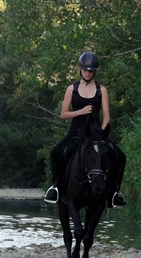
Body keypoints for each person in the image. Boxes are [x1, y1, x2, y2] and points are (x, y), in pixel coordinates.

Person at [44, 52, 126, 207]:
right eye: (85, 70)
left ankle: (115, 192)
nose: (88, 72)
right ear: (80, 69)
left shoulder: (102, 89)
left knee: (120, 156)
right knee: (55, 153)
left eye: (91, 70)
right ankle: (54, 187)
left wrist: (100, 132)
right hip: (75, 132)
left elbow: (107, 116)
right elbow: (63, 114)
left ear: (94, 71)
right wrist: (80, 112)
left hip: (96, 133)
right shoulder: (71, 89)